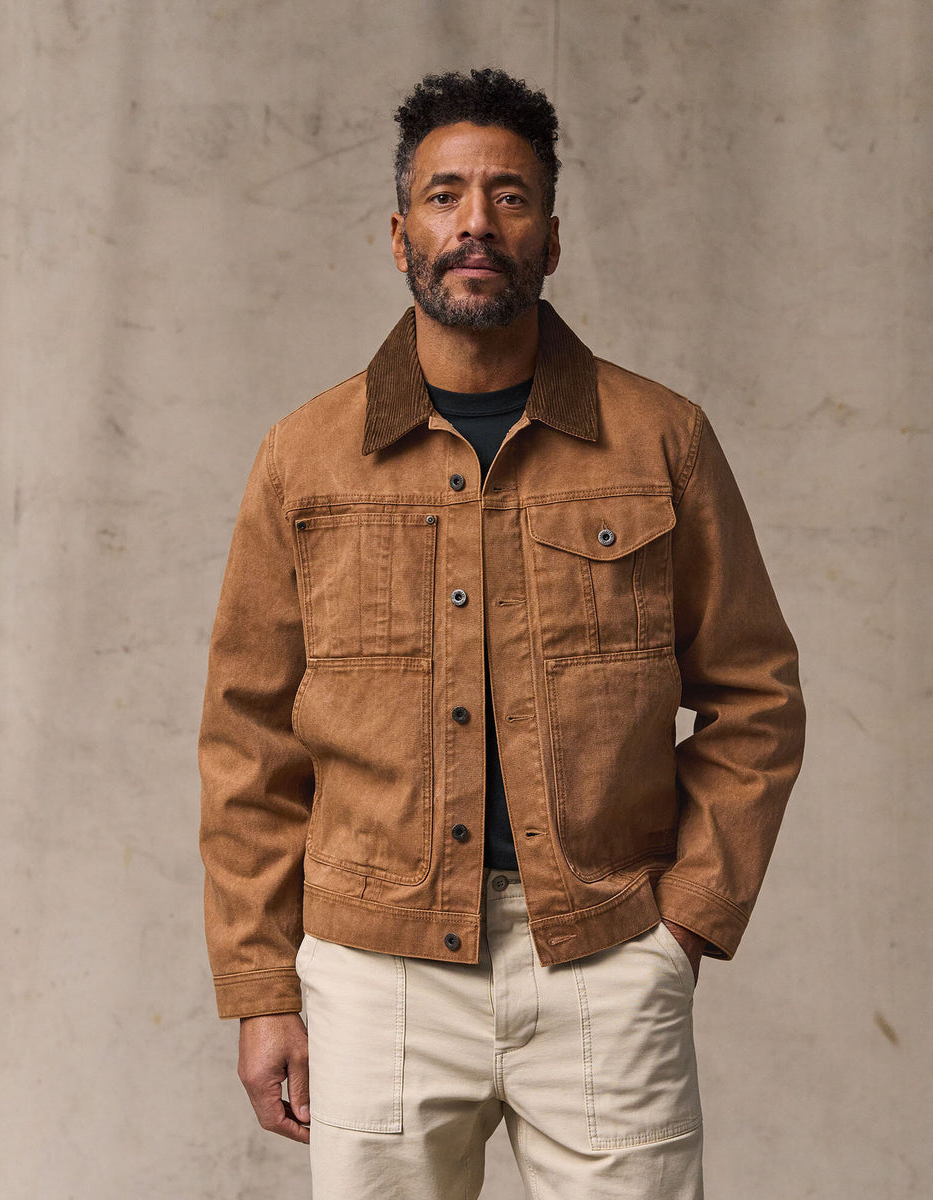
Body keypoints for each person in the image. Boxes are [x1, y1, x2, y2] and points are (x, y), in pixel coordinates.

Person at [199, 68, 805, 1199]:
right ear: (401, 236)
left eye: (510, 196)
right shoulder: (306, 457)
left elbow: (756, 695)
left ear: (553, 239)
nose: (475, 221)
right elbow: (249, 741)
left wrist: (680, 930)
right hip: (374, 972)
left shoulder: (660, 440)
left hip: (602, 954)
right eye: (445, 196)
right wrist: (262, 989)